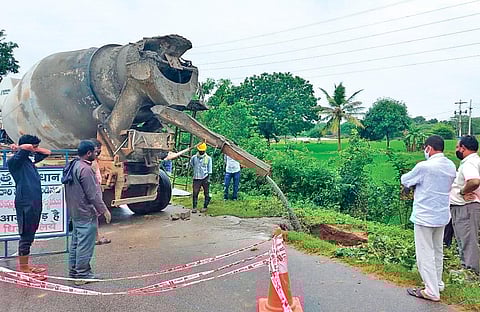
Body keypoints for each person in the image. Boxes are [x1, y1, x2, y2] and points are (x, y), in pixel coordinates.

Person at [401, 135, 456, 302]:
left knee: (425, 253)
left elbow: (405, 179)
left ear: (429, 148)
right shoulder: (451, 165)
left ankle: (431, 291)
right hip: (442, 215)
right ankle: (437, 283)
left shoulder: (424, 167)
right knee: (437, 251)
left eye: (425, 148)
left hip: (425, 216)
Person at [66, 140, 111, 285]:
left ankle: (74, 272)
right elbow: (92, 195)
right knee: (85, 245)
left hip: (75, 211)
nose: (97, 154)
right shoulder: (85, 169)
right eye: (95, 152)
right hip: (85, 212)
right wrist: (104, 210)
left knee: (76, 243)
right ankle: (83, 275)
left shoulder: (73, 165)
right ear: (88, 153)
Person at [7, 134, 51, 279]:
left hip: (35, 201)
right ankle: (24, 269)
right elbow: (25, 148)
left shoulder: (29, 158)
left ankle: (27, 265)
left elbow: (47, 152)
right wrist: (21, 148)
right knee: (26, 234)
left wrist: (30, 149)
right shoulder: (15, 161)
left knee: (31, 232)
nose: (36, 150)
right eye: (34, 147)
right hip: (25, 201)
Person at [449, 135, 480, 275]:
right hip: (467, 207)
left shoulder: (469, 163)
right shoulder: (474, 161)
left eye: (457, 147)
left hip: (466, 207)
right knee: (465, 238)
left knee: (468, 239)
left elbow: (474, 181)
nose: (456, 150)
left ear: (463, 148)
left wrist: (462, 192)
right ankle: (466, 268)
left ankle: (471, 273)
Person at [90, 138, 111, 246]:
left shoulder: (92, 162)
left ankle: (96, 237)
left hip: (95, 190)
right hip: (94, 192)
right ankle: (95, 238)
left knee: (94, 216)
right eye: (98, 150)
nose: (99, 153)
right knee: (93, 216)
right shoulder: (91, 163)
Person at [189, 142, 212, 213]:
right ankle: (194, 207)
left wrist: (209, 178)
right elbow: (191, 165)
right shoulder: (194, 158)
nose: (201, 152)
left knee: (206, 193)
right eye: (200, 151)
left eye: (203, 151)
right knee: (195, 193)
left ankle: (205, 206)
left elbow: (209, 169)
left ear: (205, 150)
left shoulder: (208, 158)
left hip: (205, 177)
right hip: (196, 178)